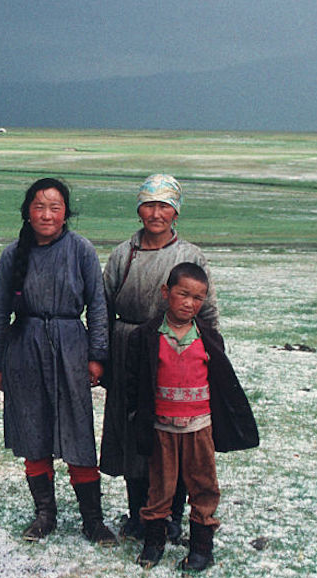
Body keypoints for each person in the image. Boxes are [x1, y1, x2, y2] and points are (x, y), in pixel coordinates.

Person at [0, 177, 116, 544]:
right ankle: (44, 514)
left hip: (71, 348)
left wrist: (97, 356)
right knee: (32, 431)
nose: (46, 215)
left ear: (65, 213)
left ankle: (92, 519)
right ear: (27, 212)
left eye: (55, 207)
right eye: (39, 207)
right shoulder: (12, 255)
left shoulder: (81, 250)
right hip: (24, 350)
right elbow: (0, 312)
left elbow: (99, 307)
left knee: (78, 431)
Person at [99, 174, 218, 541]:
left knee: (177, 437)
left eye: (164, 206)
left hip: (176, 354)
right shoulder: (123, 254)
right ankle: (139, 515)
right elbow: (103, 307)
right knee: (134, 433)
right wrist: (102, 356)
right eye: (149, 205)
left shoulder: (190, 256)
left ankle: (172, 518)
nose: (156, 213)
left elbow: (207, 312)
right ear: (139, 210)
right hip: (128, 349)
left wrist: (210, 358)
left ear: (176, 213)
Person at [127, 263, 258, 570]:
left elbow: (220, 383)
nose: (189, 303)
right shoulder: (146, 337)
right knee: (159, 487)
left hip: (199, 428)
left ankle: (201, 547)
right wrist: (138, 417)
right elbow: (134, 384)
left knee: (203, 486)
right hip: (162, 428)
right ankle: (154, 542)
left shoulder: (208, 338)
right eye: (183, 294)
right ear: (166, 292)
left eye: (198, 298)